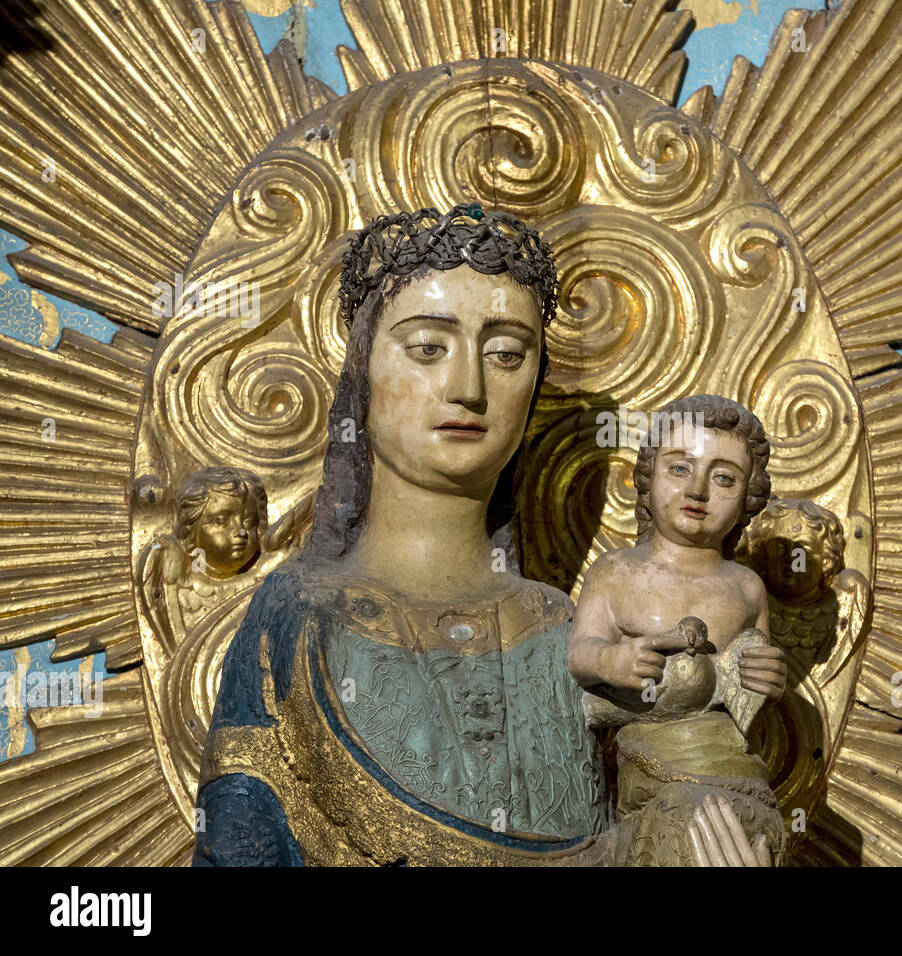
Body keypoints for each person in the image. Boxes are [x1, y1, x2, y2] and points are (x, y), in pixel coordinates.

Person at [193, 204, 772, 866]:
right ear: (365, 370)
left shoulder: (563, 629)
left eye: (505, 354)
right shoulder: (299, 616)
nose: (468, 387)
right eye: (428, 349)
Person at [568, 395, 788, 866]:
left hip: (737, 772)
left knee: (759, 836)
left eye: (724, 477)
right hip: (657, 775)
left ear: (749, 497)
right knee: (687, 826)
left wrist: (768, 678)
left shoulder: (746, 588)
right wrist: (613, 661)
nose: (699, 490)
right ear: (647, 480)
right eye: (680, 469)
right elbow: (580, 654)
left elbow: (754, 684)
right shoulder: (616, 571)